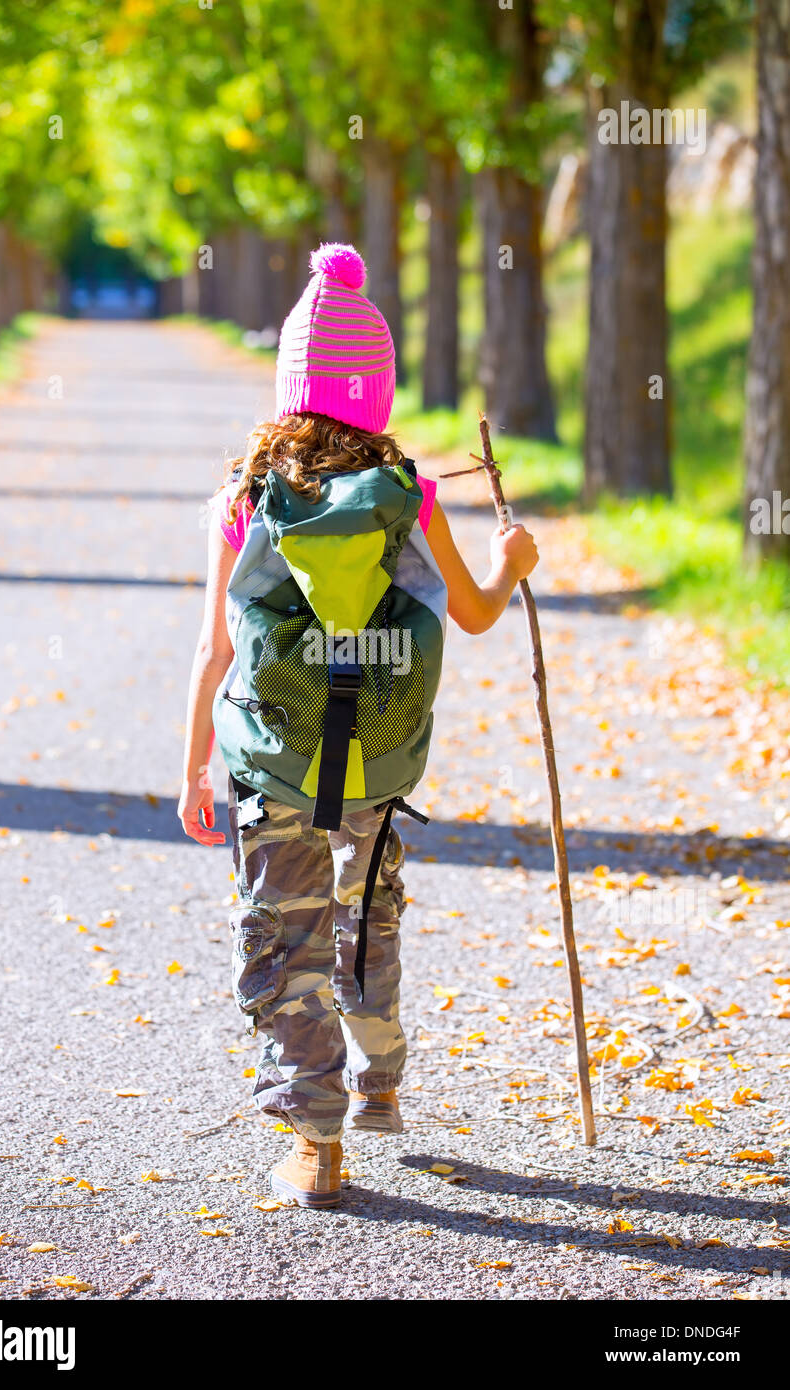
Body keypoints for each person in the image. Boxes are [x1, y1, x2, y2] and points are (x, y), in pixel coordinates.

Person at [179, 243, 538, 1208]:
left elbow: (215, 652)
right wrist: (514, 561)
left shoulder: (245, 497)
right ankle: (379, 1077)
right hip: (378, 753)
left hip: (269, 755)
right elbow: (470, 614)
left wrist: (194, 771)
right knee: (366, 916)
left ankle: (315, 1143)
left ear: (290, 379)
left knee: (284, 933)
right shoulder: (408, 496)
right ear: (376, 391)